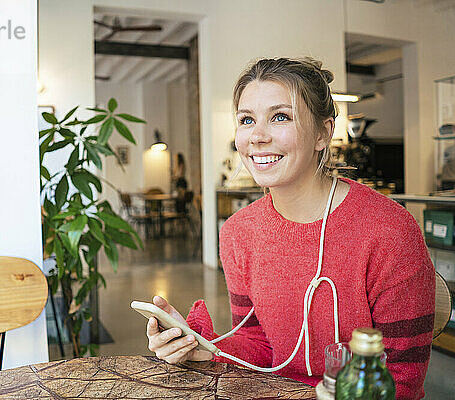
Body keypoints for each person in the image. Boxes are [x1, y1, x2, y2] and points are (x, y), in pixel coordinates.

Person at [144, 57, 434, 400]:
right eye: (246, 120)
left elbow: (402, 379)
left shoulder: (388, 230)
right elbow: (260, 345)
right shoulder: (239, 233)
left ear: (323, 133)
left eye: (280, 117)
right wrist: (203, 349)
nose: (258, 136)